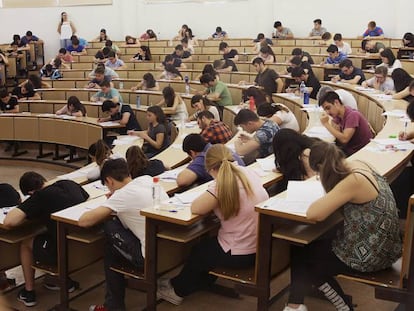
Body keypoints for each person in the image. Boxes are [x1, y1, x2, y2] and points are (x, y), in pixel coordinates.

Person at [283, 140, 401, 311]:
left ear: (322, 167)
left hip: (371, 255)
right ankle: (295, 304)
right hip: (387, 246)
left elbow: (313, 213)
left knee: (307, 258)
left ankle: (343, 307)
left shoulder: (352, 180)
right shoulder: (359, 164)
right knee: (304, 247)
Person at [157, 144, 269, 305]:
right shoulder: (248, 172)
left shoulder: (220, 185)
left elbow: (197, 208)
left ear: (209, 168)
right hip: (258, 246)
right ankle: (195, 282)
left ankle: (177, 290)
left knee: (199, 252)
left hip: (239, 252)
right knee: (208, 246)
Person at [79, 158, 168, 311]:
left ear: (109, 181)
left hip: (149, 256)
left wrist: (110, 203)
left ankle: (113, 305)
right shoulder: (146, 180)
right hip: (169, 249)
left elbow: (84, 221)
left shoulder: (122, 195)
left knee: (109, 231)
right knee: (114, 241)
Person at [4, 172, 89, 307]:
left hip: (62, 253)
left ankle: (29, 292)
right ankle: (63, 280)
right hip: (82, 248)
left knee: (26, 243)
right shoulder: (69, 183)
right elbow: (85, 197)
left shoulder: (40, 196)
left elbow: (9, 221)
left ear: (31, 193)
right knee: (49, 232)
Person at [176, 134, 244, 187]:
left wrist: (193, 163)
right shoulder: (219, 147)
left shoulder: (204, 157)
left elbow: (181, 181)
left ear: (192, 153)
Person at [319, 91, 372, 155]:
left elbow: (344, 139)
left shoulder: (352, 115)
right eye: (325, 110)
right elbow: (336, 132)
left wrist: (326, 124)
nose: (327, 112)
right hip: (349, 149)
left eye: (328, 108)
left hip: (359, 153)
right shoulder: (339, 114)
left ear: (336, 103)